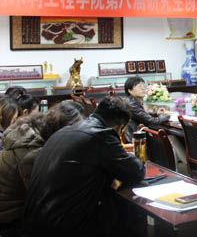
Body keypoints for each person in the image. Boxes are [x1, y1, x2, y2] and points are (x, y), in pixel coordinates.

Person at [23, 96, 145, 236]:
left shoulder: (64, 131)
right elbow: (136, 171)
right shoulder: (101, 134)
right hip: (62, 227)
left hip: (34, 223)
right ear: (119, 127)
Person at [0, 101, 83, 234]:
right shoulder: (31, 151)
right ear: (62, 130)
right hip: (11, 219)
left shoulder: (33, 134)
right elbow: (43, 196)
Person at [124, 76, 169, 143]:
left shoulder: (131, 101)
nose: (143, 88)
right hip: (135, 140)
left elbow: (141, 115)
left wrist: (156, 113)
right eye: (140, 86)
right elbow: (152, 121)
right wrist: (168, 115)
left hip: (138, 135)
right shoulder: (132, 104)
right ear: (130, 90)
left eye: (144, 86)